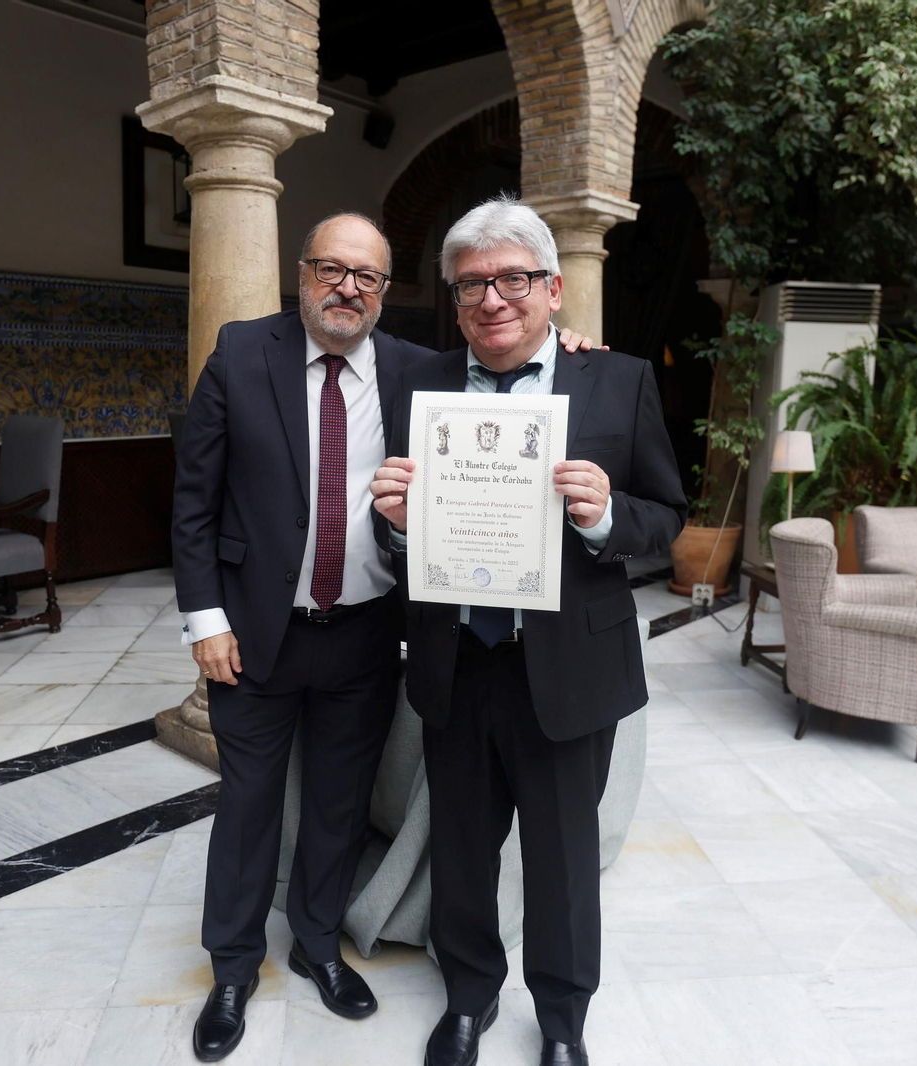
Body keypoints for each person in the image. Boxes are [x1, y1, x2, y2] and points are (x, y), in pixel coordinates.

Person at [173, 211, 600, 1062]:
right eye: (332, 269)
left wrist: (570, 335)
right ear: (302, 273)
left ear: (385, 291)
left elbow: (514, 364)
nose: (347, 288)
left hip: (367, 634)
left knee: (336, 804)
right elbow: (193, 498)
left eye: (367, 277)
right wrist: (205, 620)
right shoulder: (240, 352)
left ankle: (320, 947)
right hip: (254, 635)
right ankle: (231, 968)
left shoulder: (419, 371)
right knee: (250, 805)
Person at [371, 195, 686, 1066]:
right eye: (472, 284)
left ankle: (561, 1021)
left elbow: (668, 514)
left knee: (561, 859)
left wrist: (606, 515)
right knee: (464, 850)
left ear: (553, 290)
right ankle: (467, 999)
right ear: (454, 298)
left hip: (568, 668)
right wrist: (394, 522)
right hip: (459, 659)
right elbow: (391, 525)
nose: (492, 300)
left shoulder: (617, 380)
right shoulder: (419, 386)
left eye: (513, 279)